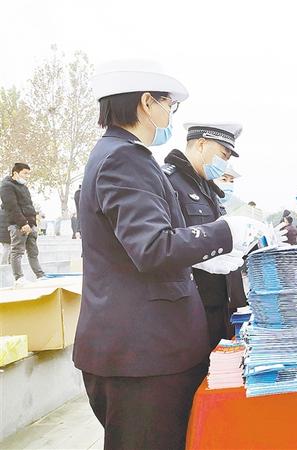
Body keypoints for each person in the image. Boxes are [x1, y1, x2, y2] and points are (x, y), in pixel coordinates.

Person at [74, 60, 265, 450]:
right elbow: (153, 247)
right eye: (168, 104)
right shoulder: (125, 158)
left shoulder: (119, 154)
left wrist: (205, 255)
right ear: (147, 103)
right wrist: (225, 232)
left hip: (145, 351)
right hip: (143, 356)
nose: (169, 115)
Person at [162, 122, 248, 350]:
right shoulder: (168, 182)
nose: (224, 164)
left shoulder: (208, 188)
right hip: (190, 310)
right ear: (201, 144)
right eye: (223, 155)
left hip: (220, 307)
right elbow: (165, 244)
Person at [0, 163, 46, 286]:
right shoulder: (6, 186)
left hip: (30, 225)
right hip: (18, 225)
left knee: (33, 252)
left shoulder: (23, 187)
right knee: (17, 252)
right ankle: (18, 278)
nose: (27, 176)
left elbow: (29, 205)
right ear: (15, 173)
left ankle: (40, 275)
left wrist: (33, 223)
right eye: (25, 173)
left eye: (28, 174)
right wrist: (23, 223)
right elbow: (12, 207)